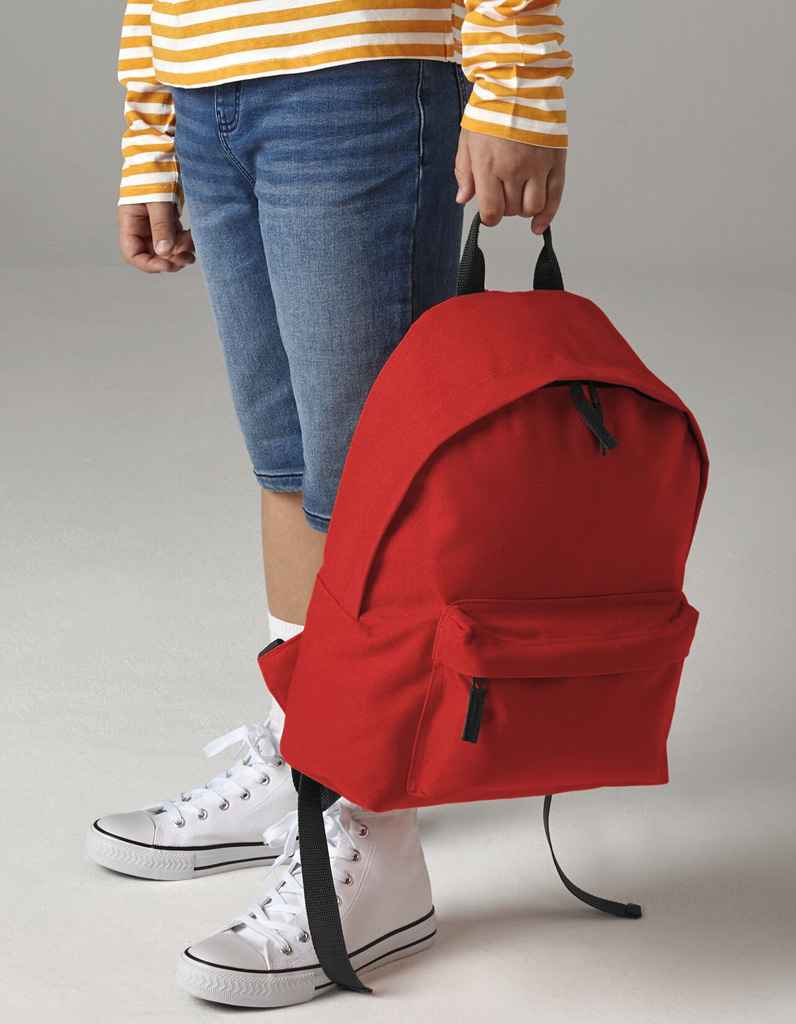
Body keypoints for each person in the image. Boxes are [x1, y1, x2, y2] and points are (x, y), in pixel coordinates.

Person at [87, 1, 572, 1006]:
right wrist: (150, 130)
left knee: (367, 491)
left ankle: (375, 838)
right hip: (205, 80)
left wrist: (517, 82)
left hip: (357, 74)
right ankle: (306, 756)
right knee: (289, 463)